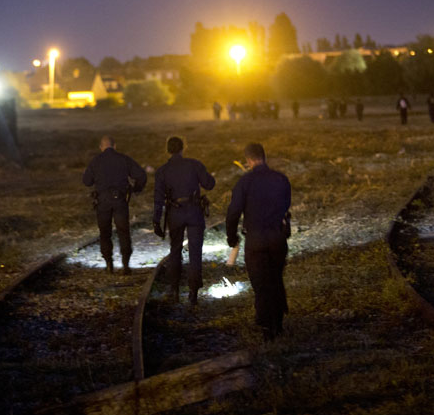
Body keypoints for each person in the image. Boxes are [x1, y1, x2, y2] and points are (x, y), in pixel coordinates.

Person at [226, 143, 291, 341]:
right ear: (264, 156)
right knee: (275, 279)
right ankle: (278, 323)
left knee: (261, 284)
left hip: (255, 240)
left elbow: (233, 212)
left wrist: (231, 236)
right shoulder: (281, 179)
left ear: (248, 160)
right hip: (277, 238)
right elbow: (286, 205)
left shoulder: (245, 182)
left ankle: (266, 328)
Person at [153, 136, 216, 304]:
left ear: (167, 150)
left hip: (175, 213)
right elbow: (210, 184)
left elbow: (158, 199)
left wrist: (156, 221)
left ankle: (174, 290)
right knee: (195, 253)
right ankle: (193, 293)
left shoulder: (162, 171)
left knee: (175, 252)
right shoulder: (194, 165)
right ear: (183, 148)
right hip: (194, 211)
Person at [83, 135, 147, 275]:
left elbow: (87, 181)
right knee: (123, 232)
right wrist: (136, 189)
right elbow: (141, 175)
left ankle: (109, 264)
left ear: (101, 147)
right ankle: (125, 265)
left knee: (105, 234)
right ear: (115, 146)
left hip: (103, 201)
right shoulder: (124, 159)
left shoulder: (96, 161)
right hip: (120, 200)